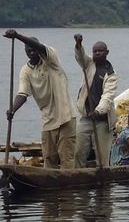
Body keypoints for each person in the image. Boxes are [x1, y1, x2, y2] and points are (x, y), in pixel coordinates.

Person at [3, 29, 76, 169]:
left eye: (33, 49)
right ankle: (49, 185)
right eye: (28, 50)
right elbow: (22, 94)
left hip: (66, 116)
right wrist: (12, 109)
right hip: (48, 120)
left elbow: (40, 47)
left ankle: (68, 188)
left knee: (67, 158)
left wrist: (17, 36)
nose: (31, 52)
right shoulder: (26, 70)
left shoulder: (51, 59)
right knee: (49, 158)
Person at [73, 34, 118, 168]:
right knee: (79, 152)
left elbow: (107, 97)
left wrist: (98, 112)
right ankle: (78, 176)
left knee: (102, 157)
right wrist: (78, 44)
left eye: (100, 51)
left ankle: (104, 182)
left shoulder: (111, 74)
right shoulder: (88, 64)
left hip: (102, 120)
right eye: (95, 51)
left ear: (107, 53)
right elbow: (80, 57)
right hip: (86, 117)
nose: (97, 53)